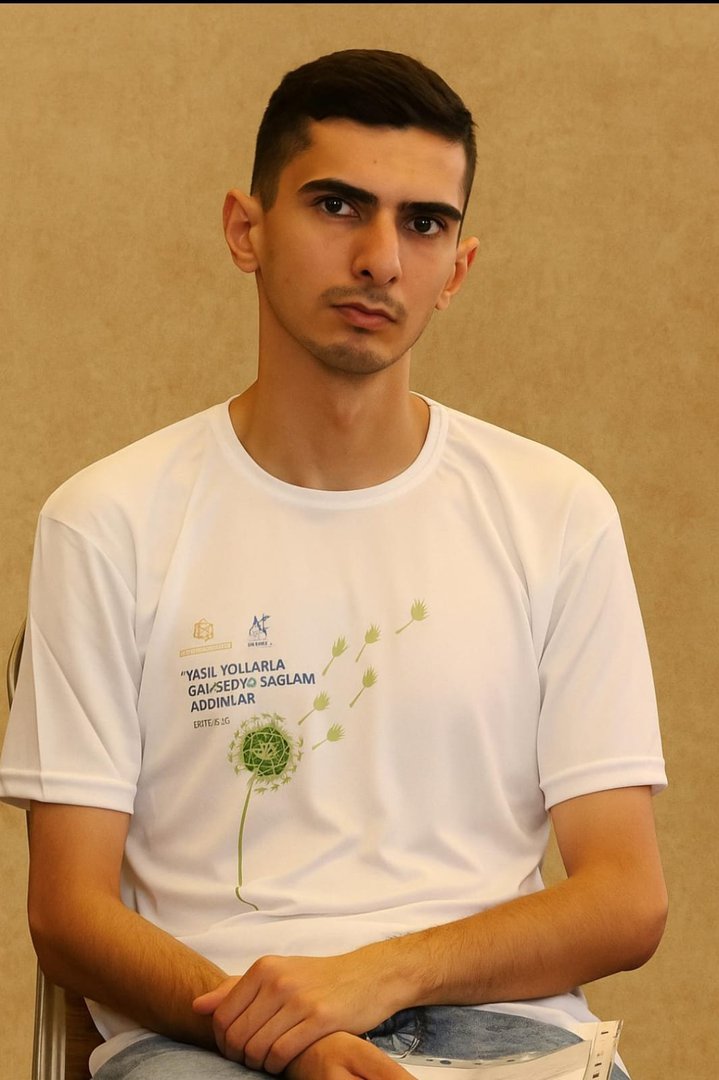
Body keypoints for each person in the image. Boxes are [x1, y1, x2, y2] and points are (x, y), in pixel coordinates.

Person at [0, 49, 667, 1080]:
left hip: (506, 1031)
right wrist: (288, 1034)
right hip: (210, 1033)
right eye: (337, 205)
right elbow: (67, 915)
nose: (379, 259)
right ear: (246, 229)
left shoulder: (556, 512)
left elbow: (625, 897)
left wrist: (377, 976)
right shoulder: (107, 521)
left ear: (457, 269)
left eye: (423, 223)